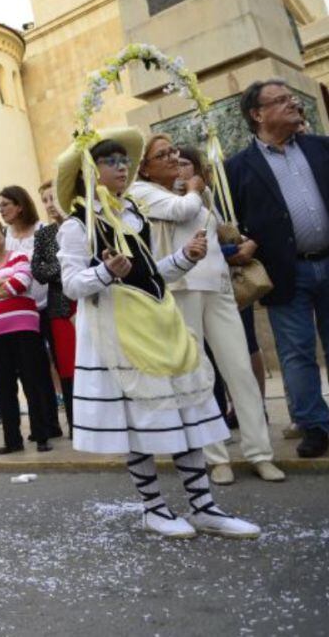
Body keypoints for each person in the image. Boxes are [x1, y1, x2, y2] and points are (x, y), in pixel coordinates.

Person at [56, 127, 259, 539]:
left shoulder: (133, 213)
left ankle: (203, 505)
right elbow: (73, 286)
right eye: (110, 161)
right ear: (89, 172)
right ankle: (153, 507)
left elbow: (152, 274)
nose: (122, 166)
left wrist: (184, 258)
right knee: (138, 420)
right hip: (118, 332)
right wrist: (105, 272)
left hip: (159, 322)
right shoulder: (77, 226)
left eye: (123, 160)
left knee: (186, 410)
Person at [130, 134, 284, 484]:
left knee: (240, 369)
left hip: (218, 286)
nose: (173, 158)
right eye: (162, 155)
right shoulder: (143, 193)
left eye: (174, 151)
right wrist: (196, 189)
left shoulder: (195, 191)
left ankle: (260, 453)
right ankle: (216, 457)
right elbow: (180, 211)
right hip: (182, 290)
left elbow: (212, 229)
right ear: (146, 168)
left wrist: (198, 191)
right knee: (199, 374)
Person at [225, 79, 329, 458]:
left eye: (291, 98)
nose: (292, 103)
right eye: (281, 100)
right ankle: (315, 426)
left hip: (328, 259)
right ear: (258, 114)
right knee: (296, 351)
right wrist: (244, 243)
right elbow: (233, 221)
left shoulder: (320, 147)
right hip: (286, 272)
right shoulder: (238, 167)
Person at [0, 215, 55, 453]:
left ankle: (41, 434)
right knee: (5, 388)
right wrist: (1, 283)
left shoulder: (18, 257)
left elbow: (20, 283)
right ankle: (12, 440)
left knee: (32, 382)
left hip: (25, 329)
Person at [32, 180, 77, 433]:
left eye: (53, 198)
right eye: (45, 200)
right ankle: (75, 423)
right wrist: (69, 266)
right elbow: (38, 271)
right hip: (60, 306)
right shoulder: (44, 234)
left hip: (87, 301)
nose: (50, 205)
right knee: (67, 367)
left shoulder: (84, 224)